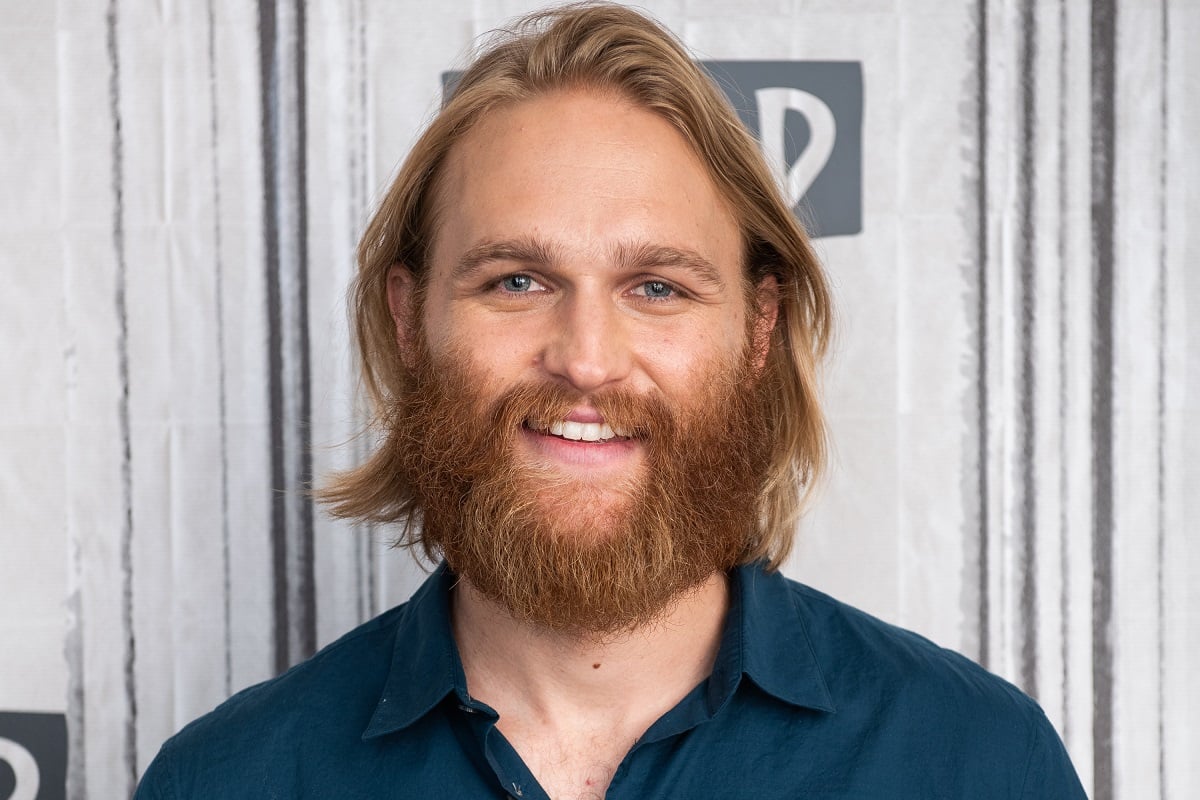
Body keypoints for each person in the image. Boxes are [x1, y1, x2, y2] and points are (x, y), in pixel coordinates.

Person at [135, 4, 1086, 798]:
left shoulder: (976, 761)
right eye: (516, 281)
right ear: (409, 321)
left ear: (758, 330)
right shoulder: (225, 781)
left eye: (657, 287)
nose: (587, 360)